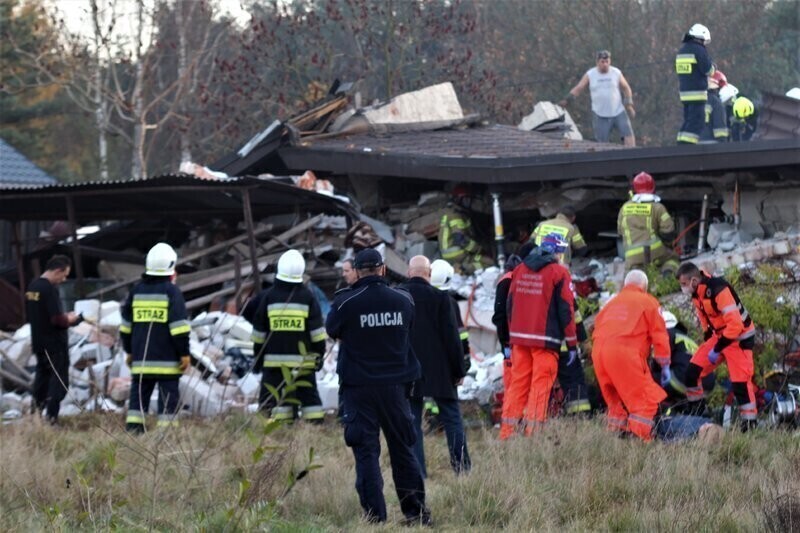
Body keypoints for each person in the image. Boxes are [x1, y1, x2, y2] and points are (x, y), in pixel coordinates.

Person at [325, 248, 430, 526]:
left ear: (358, 272)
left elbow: (332, 330)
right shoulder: (403, 300)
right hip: (396, 387)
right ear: (383, 269)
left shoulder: (346, 302)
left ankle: (375, 517)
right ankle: (416, 513)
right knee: (403, 449)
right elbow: (409, 326)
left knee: (366, 452)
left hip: (359, 388)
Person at [499, 233, 577, 439]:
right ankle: (533, 434)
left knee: (518, 385)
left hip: (519, 339)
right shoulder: (558, 272)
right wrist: (571, 343)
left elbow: (510, 305)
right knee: (540, 386)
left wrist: (511, 336)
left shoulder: (520, 269)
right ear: (557, 252)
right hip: (544, 340)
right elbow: (566, 310)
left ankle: (507, 433)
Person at [401, 256, 470, 477]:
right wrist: (459, 370)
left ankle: (417, 473)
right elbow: (452, 339)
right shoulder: (441, 299)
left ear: (409, 272)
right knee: (452, 419)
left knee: (412, 421)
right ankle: (462, 469)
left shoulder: (398, 298)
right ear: (429, 273)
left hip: (408, 370)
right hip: (441, 371)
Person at [676, 262, 757, 430]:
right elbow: (704, 316)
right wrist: (708, 336)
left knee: (741, 385)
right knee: (692, 373)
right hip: (720, 336)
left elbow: (735, 325)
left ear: (693, 281)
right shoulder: (697, 292)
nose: (682, 288)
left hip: (739, 339)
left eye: (683, 284)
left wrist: (717, 348)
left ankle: (749, 425)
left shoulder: (718, 289)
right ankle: (698, 416)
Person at [591, 270, 671, 441]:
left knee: (616, 405)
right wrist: (664, 363)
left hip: (598, 354)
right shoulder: (648, 301)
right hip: (624, 354)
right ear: (644, 287)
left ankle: (616, 441)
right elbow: (659, 334)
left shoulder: (610, 304)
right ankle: (640, 442)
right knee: (645, 402)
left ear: (625, 285)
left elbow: (597, 327)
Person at [121, 243, 190, 432]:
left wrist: (129, 351)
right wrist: (184, 353)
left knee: (137, 400)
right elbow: (179, 328)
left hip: (141, 360)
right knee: (168, 402)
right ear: (171, 266)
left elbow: (126, 328)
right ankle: (166, 436)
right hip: (168, 362)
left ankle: (134, 431)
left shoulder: (136, 292)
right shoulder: (172, 292)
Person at [251, 249, 327, 422]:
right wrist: (318, 356)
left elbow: (259, 334)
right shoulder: (308, 297)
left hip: (274, 363)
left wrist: (258, 357)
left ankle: (280, 427)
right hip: (303, 363)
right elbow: (317, 335)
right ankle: (314, 425)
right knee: (309, 397)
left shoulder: (269, 297)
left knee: (274, 398)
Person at [26, 255, 83, 425]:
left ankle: (35, 415)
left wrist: (63, 316)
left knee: (41, 380)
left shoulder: (33, 287)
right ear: (58, 271)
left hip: (39, 342)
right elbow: (57, 320)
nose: (63, 280)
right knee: (58, 382)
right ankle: (52, 418)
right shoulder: (49, 289)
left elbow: (40, 314)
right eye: (64, 275)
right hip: (55, 345)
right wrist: (72, 319)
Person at [559, 50, 637, 146]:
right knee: (602, 143)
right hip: (600, 114)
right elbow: (579, 88)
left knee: (628, 135)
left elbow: (626, 88)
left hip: (618, 112)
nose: (605, 64)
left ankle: (631, 153)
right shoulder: (590, 74)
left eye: (607, 62)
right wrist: (567, 99)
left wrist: (629, 105)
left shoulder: (616, 72)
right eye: (602, 62)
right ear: (597, 62)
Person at [650, 310, 716, 412]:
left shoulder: (666, 334)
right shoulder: (686, 339)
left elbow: (658, 361)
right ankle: (693, 411)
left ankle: (662, 412)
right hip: (707, 383)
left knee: (649, 379)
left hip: (683, 378)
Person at [617, 171, 678, 273]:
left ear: (635, 189)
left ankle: (636, 273)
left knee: (631, 273)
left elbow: (620, 232)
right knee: (673, 258)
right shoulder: (658, 207)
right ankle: (668, 272)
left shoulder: (625, 207)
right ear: (653, 188)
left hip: (632, 254)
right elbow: (668, 232)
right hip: (654, 250)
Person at [676, 24, 716, 144]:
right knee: (697, 122)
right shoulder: (699, 50)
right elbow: (708, 70)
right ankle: (688, 147)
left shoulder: (682, 51)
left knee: (688, 121)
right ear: (701, 38)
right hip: (697, 94)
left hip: (684, 94)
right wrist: (714, 66)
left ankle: (680, 143)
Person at [438, 187, 491, 275]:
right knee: (490, 263)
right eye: (466, 199)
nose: (468, 202)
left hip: (452, 254)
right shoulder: (456, 216)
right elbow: (460, 239)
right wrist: (478, 249)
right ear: (458, 200)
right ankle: (464, 269)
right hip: (458, 254)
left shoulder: (455, 213)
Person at [701, 70, 729, 142]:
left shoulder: (696, 100)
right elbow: (720, 130)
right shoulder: (715, 102)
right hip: (711, 143)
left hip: (694, 143)